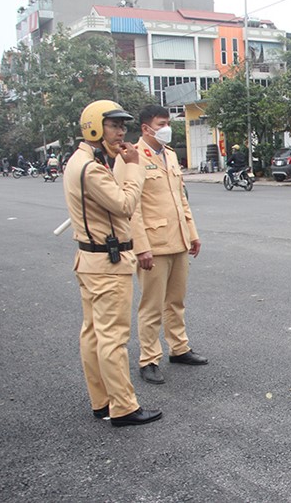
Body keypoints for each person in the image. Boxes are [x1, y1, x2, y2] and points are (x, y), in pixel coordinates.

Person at [62, 99, 161, 427]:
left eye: (122, 126)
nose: (121, 132)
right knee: (112, 338)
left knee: (92, 334)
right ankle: (123, 407)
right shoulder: (91, 168)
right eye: (114, 125)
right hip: (107, 262)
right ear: (94, 126)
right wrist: (133, 167)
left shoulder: (82, 160)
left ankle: (101, 400)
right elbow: (124, 205)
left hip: (90, 260)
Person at [122, 105, 207, 386]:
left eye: (168, 122)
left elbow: (181, 199)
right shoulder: (131, 158)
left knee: (176, 301)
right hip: (153, 245)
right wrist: (141, 246)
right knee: (151, 306)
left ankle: (179, 348)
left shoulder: (170, 155)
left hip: (178, 240)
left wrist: (192, 233)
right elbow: (131, 208)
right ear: (146, 128)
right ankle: (148, 359)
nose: (167, 127)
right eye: (162, 123)